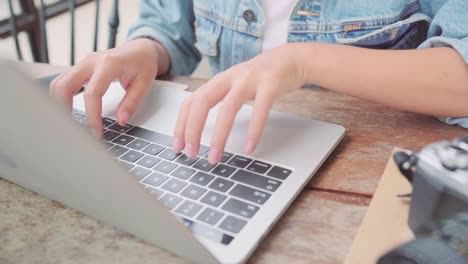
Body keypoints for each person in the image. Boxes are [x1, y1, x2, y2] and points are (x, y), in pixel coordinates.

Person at [50, 0, 468, 164]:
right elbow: (168, 22)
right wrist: (143, 49)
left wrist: (303, 62)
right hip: (231, 156)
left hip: (377, 169)